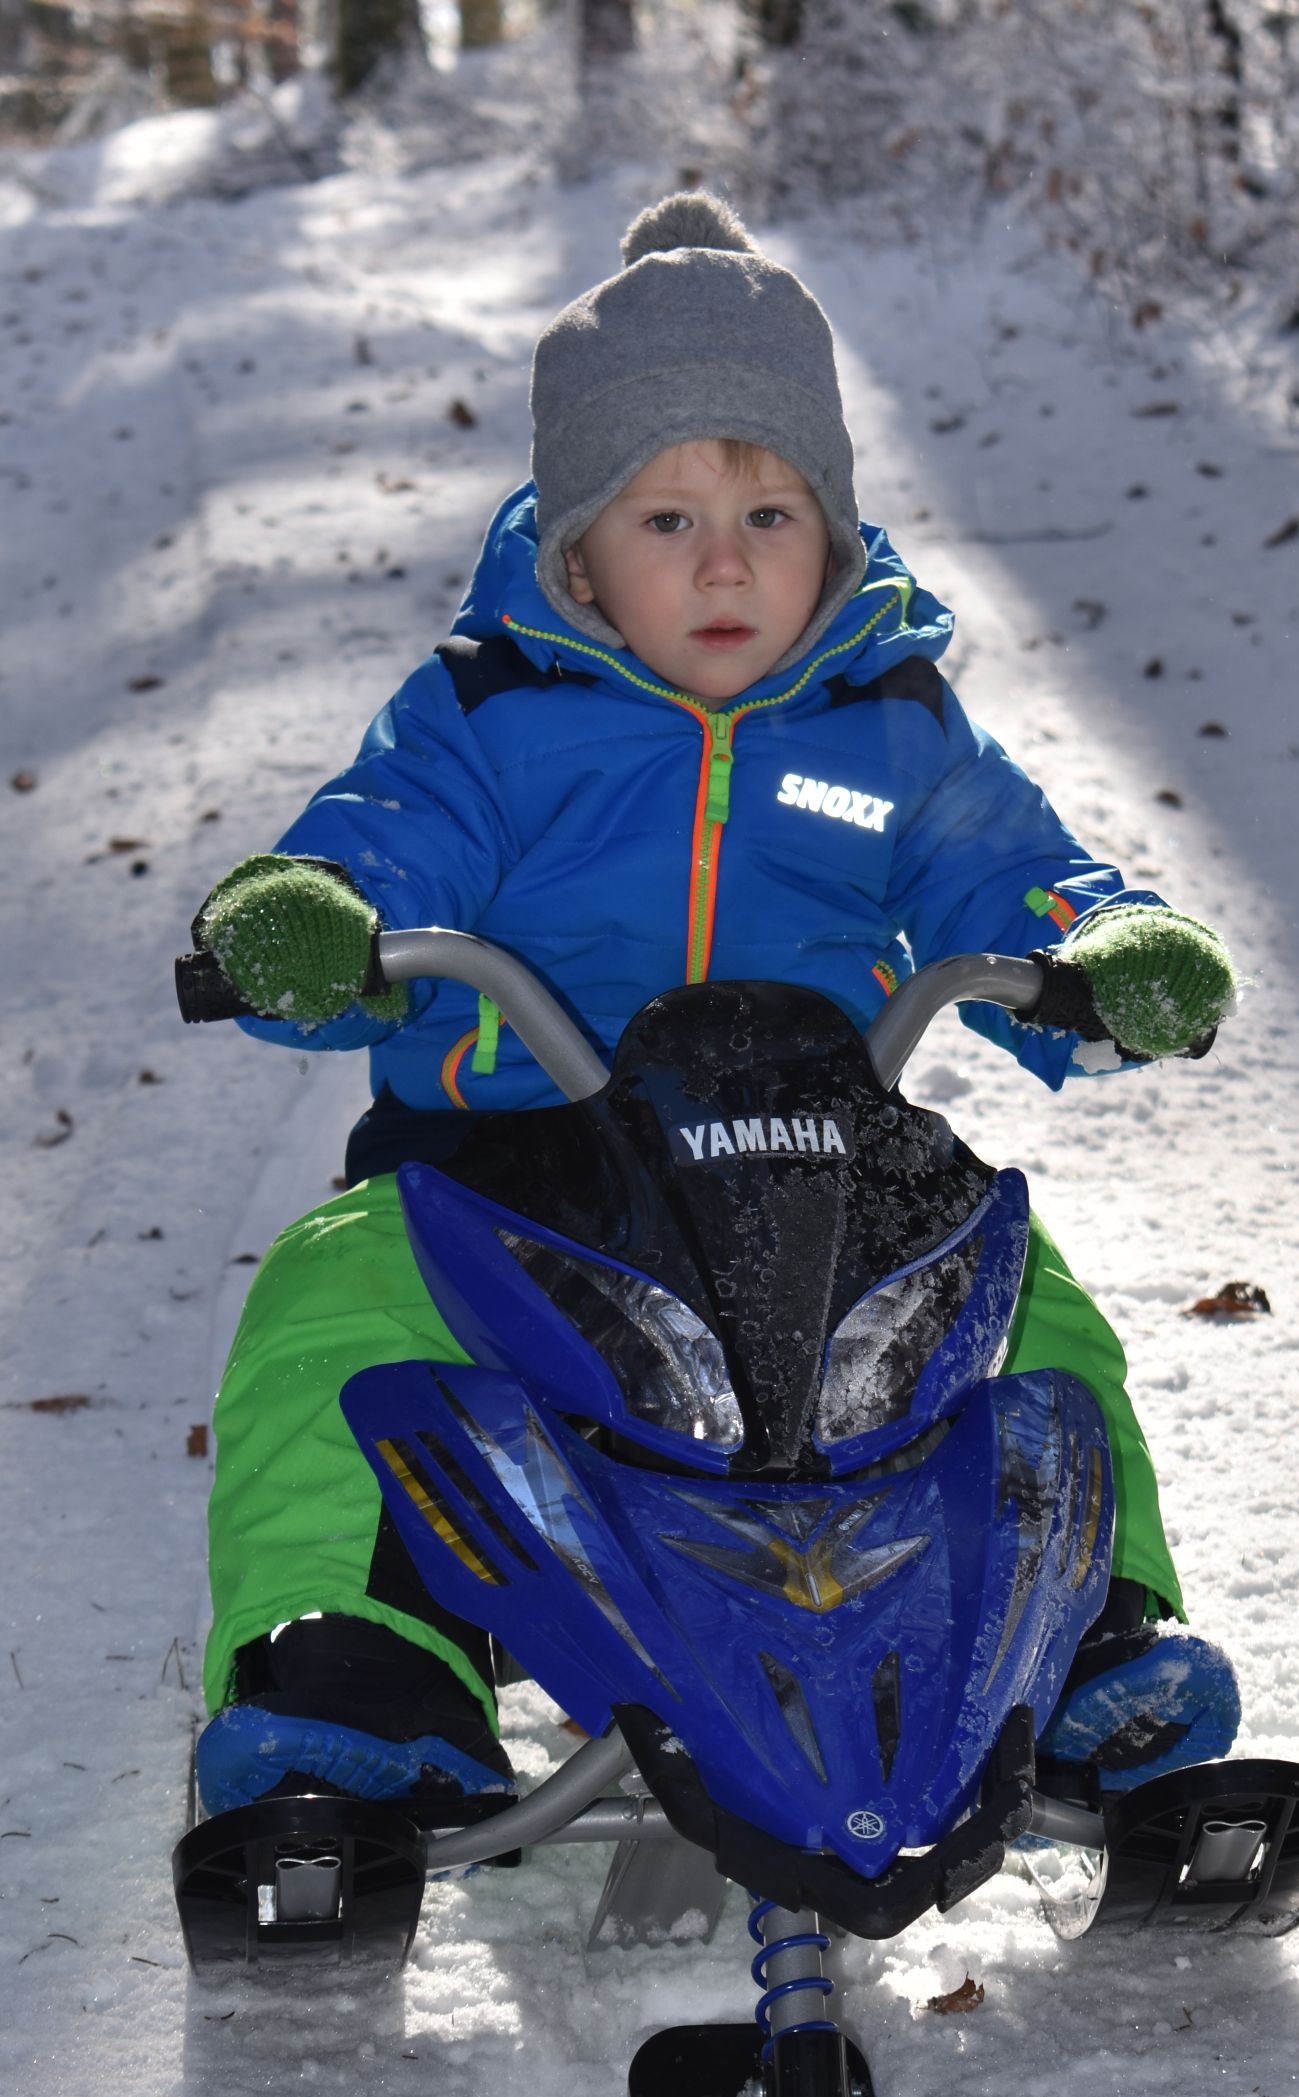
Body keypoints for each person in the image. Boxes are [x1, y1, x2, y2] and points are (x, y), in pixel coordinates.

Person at [189, 193, 1241, 1827]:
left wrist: (1105, 946)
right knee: (333, 1305)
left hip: (827, 1171)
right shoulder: (491, 716)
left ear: (832, 527)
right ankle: (360, 1661)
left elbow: (1009, 870)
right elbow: (381, 838)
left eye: (770, 510)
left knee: (1033, 1312)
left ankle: (1090, 1638)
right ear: (580, 554)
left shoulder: (887, 726)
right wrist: (319, 916)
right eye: (666, 519)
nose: (728, 560)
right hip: (521, 1166)